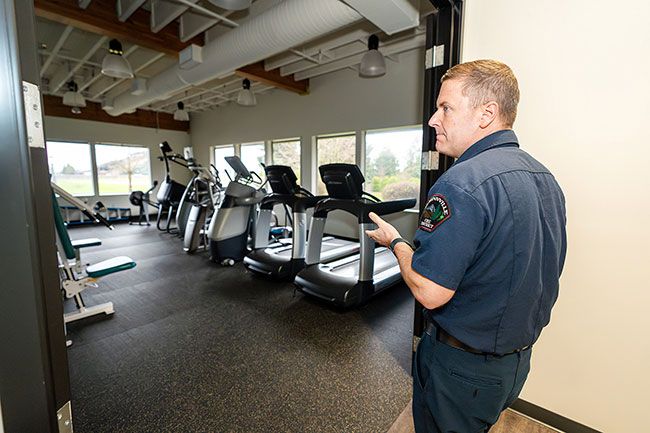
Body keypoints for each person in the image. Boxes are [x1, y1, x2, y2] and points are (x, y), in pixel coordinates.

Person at [365, 59, 567, 433]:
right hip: (514, 363)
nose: (432, 119)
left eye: (445, 107)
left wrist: (395, 242)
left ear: (486, 114)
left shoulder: (461, 183)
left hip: (461, 369)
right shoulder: (545, 177)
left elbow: (429, 291)